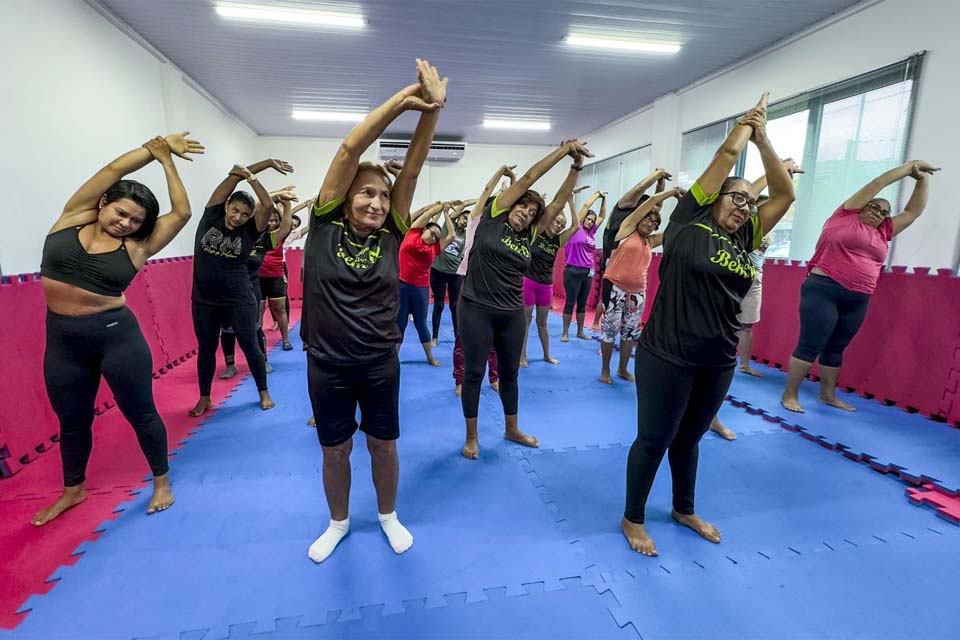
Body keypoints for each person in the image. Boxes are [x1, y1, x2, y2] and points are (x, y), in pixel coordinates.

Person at [622, 93, 796, 557]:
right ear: (713, 199)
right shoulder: (686, 225)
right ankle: (632, 517)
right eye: (736, 197)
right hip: (667, 354)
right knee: (655, 438)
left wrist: (766, 141)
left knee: (691, 438)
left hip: (718, 358)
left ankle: (683, 508)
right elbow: (723, 157)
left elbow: (785, 194)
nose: (744, 205)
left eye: (749, 202)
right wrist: (747, 126)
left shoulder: (748, 236)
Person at [301, 58, 447, 562]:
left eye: (383, 196)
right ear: (345, 200)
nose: (377, 202)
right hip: (327, 364)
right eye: (367, 192)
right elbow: (350, 148)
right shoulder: (324, 227)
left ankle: (387, 515)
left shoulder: (391, 234)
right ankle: (339, 522)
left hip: (379, 363)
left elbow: (413, 165)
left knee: (383, 445)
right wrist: (402, 102)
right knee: (334, 449)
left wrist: (433, 109)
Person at [33, 132, 204, 526]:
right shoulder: (74, 214)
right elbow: (114, 170)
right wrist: (151, 149)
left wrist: (167, 162)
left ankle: (161, 481)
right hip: (62, 340)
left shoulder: (138, 247)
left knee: (140, 412)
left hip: (116, 338)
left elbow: (180, 214)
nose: (125, 223)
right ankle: (73, 490)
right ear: (104, 203)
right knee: (71, 420)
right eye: (121, 213)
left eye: (135, 221)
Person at [460, 139, 592, 460]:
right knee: (475, 373)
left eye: (532, 212)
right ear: (512, 203)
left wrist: (575, 167)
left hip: (512, 312)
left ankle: (511, 428)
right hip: (476, 307)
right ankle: (472, 437)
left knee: (510, 373)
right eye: (523, 206)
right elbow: (530, 177)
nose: (526, 213)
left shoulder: (531, 235)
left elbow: (560, 202)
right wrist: (563, 151)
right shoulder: (494, 214)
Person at [780, 160, 939, 413]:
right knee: (811, 343)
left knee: (837, 346)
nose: (877, 212)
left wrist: (922, 179)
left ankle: (827, 395)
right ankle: (790, 395)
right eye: (874, 206)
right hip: (824, 288)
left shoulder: (883, 232)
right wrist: (910, 168)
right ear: (862, 207)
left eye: (883, 212)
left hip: (858, 298)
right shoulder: (845, 216)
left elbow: (912, 212)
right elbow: (877, 183)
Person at [189, 159, 293, 416]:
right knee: (206, 348)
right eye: (234, 211)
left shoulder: (251, 230)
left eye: (244, 214)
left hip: (238, 298)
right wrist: (259, 166)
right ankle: (204, 397)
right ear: (226, 206)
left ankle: (263, 391)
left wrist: (253, 179)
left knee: (250, 344)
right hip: (204, 299)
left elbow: (267, 205)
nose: (238, 217)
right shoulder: (210, 216)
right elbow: (233, 176)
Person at [598, 188, 680, 384]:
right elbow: (651, 201)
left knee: (629, 333)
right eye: (647, 219)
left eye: (654, 223)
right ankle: (605, 371)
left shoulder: (650, 241)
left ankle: (623, 369)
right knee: (610, 331)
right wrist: (671, 192)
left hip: (637, 293)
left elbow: (675, 228)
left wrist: (683, 205)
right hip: (615, 287)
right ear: (640, 218)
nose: (650, 224)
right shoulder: (626, 230)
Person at [453, 170, 514, 398]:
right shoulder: (475, 221)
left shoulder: (502, 230)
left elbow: (512, 202)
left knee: (495, 338)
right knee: (463, 337)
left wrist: (513, 185)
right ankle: (460, 379)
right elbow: (487, 191)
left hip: (494, 285)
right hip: (469, 280)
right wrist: (501, 174)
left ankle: (494, 377)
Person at [520, 189, 599, 367]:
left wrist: (571, 203)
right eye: (557, 222)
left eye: (561, 225)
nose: (559, 226)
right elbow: (549, 210)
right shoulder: (535, 233)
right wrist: (561, 199)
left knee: (542, 322)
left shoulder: (558, 241)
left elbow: (576, 227)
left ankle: (547, 354)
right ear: (549, 220)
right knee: (525, 321)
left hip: (545, 285)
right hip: (529, 281)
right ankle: (522, 355)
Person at [592, 170, 671, 332]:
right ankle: (601, 325)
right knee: (609, 297)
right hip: (613, 254)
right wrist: (657, 174)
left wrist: (661, 182)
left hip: (625, 253)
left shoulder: (640, 222)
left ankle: (622, 328)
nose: (649, 218)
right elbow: (641, 187)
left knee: (622, 298)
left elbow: (657, 206)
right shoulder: (623, 207)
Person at [397, 202, 456, 365]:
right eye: (432, 234)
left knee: (420, 323)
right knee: (399, 322)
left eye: (437, 237)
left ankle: (430, 357)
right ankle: (393, 358)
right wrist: (439, 205)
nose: (434, 238)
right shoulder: (411, 235)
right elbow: (424, 215)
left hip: (420, 288)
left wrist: (446, 213)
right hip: (402, 285)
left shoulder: (434, 249)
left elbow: (451, 236)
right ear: (424, 230)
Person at [560, 190, 606, 342]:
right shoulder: (576, 228)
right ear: (583, 219)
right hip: (572, 270)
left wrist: (604, 200)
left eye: (591, 221)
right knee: (570, 301)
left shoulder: (591, 233)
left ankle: (580, 331)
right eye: (588, 219)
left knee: (582, 303)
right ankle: (565, 333)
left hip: (588, 271)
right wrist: (597, 195)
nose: (590, 222)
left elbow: (602, 216)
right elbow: (586, 205)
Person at [259, 193, 299, 351]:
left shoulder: (279, 236)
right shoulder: (257, 234)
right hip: (258, 278)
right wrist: (273, 197)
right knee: (259, 311)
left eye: (276, 220)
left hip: (275, 277)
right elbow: (257, 210)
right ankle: (260, 342)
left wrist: (287, 205)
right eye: (270, 220)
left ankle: (285, 339)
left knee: (280, 309)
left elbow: (287, 224)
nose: (273, 223)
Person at [430, 201, 473, 346]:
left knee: (455, 306)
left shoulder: (467, 235)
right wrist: (476, 199)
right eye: (464, 218)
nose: (466, 221)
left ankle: (457, 337)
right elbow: (458, 208)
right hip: (438, 271)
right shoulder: (448, 227)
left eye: (468, 219)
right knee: (439, 304)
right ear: (459, 217)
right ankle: (435, 337)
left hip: (455, 274)